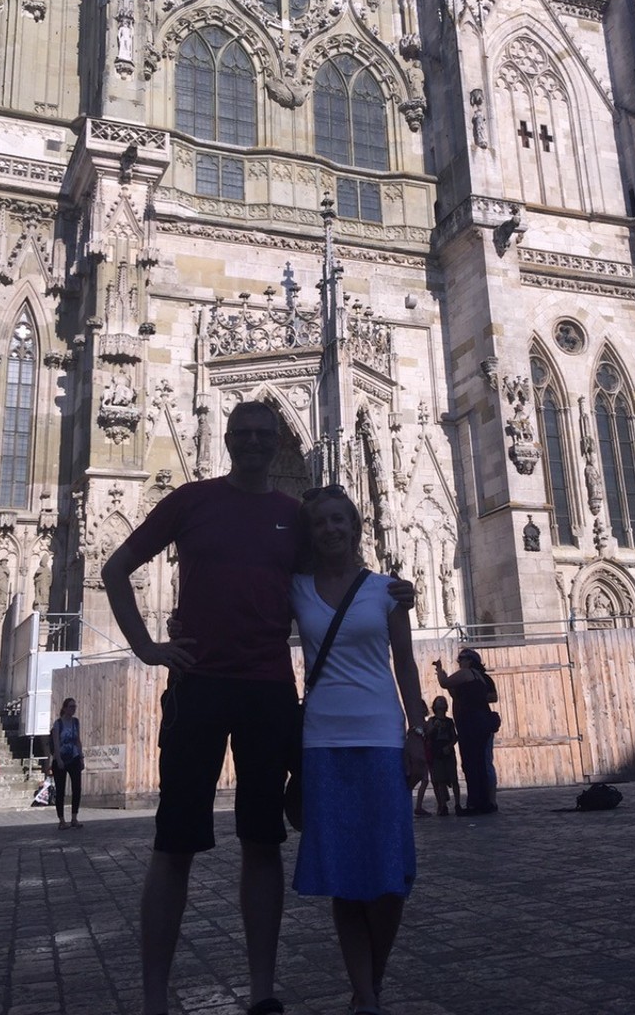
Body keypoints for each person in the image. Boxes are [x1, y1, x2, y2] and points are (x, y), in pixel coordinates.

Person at [102, 400, 412, 1015]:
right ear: (225, 438)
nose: (252, 443)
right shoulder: (191, 500)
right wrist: (148, 648)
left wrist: (387, 588)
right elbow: (115, 569)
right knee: (174, 843)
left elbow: (333, 565)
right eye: (242, 433)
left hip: (270, 691)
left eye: (262, 435)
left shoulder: (292, 517)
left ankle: (264, 991)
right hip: (200, 688)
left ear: (276, 445)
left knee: (262, 840)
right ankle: (155, 998)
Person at [290, 486, 425, 1015]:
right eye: (320, 522)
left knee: (388, 879)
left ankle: (375, 976)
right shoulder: (295, 589)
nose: (330, 529)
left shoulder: (387, 591)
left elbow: (408, 664)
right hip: (323, 741)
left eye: (338, 520)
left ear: (356, 527)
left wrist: (417, 731)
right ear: (312, 532)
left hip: (382, 738)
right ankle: (364, 992)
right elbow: (255, 625)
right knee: (345, 879)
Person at [434, 648, 499, 815]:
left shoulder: (467, 673)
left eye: (461, 659)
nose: (459, 662)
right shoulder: (478, 678)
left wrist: (440, 671)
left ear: (469, 661)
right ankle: (483, 802)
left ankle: (475, 804)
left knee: (472, 763)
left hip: (471, 723)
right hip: (478, 722)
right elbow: (456, 694)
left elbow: (445, 683)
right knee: (478, 763)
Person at [426, 695, 464, 816]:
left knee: (454, 779)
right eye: (439, 701)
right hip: (437, 752)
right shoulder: (431, 721)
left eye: (443, 701)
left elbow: (454, 736)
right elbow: (428, 735)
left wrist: (450, 746)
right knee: (440, 780)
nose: (441, 702)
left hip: (448, 751)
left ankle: (458, 804)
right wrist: (433, 728)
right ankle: (443, 806)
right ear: (435, 706)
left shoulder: (449, 721)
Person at [51, 697, 85, 830]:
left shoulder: (76, 722)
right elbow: (56, 742)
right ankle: (61, 820)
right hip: (61, 758)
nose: (73, 709)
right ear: (65, 708)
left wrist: (81, 757)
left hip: (74, 756)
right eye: (71, 706)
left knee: (77, 788)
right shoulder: (58, 723)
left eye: (74, 706)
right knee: (60, 790)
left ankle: (74, 817)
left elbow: (78, 740)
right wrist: (58, 759)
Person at [411, 699, 432, 817]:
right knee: (422, 779)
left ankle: (418, 806)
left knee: (424, 779)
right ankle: (418, 806)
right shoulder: (419, 724)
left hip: (425, 752)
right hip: (421, 752)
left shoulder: (422, 723)